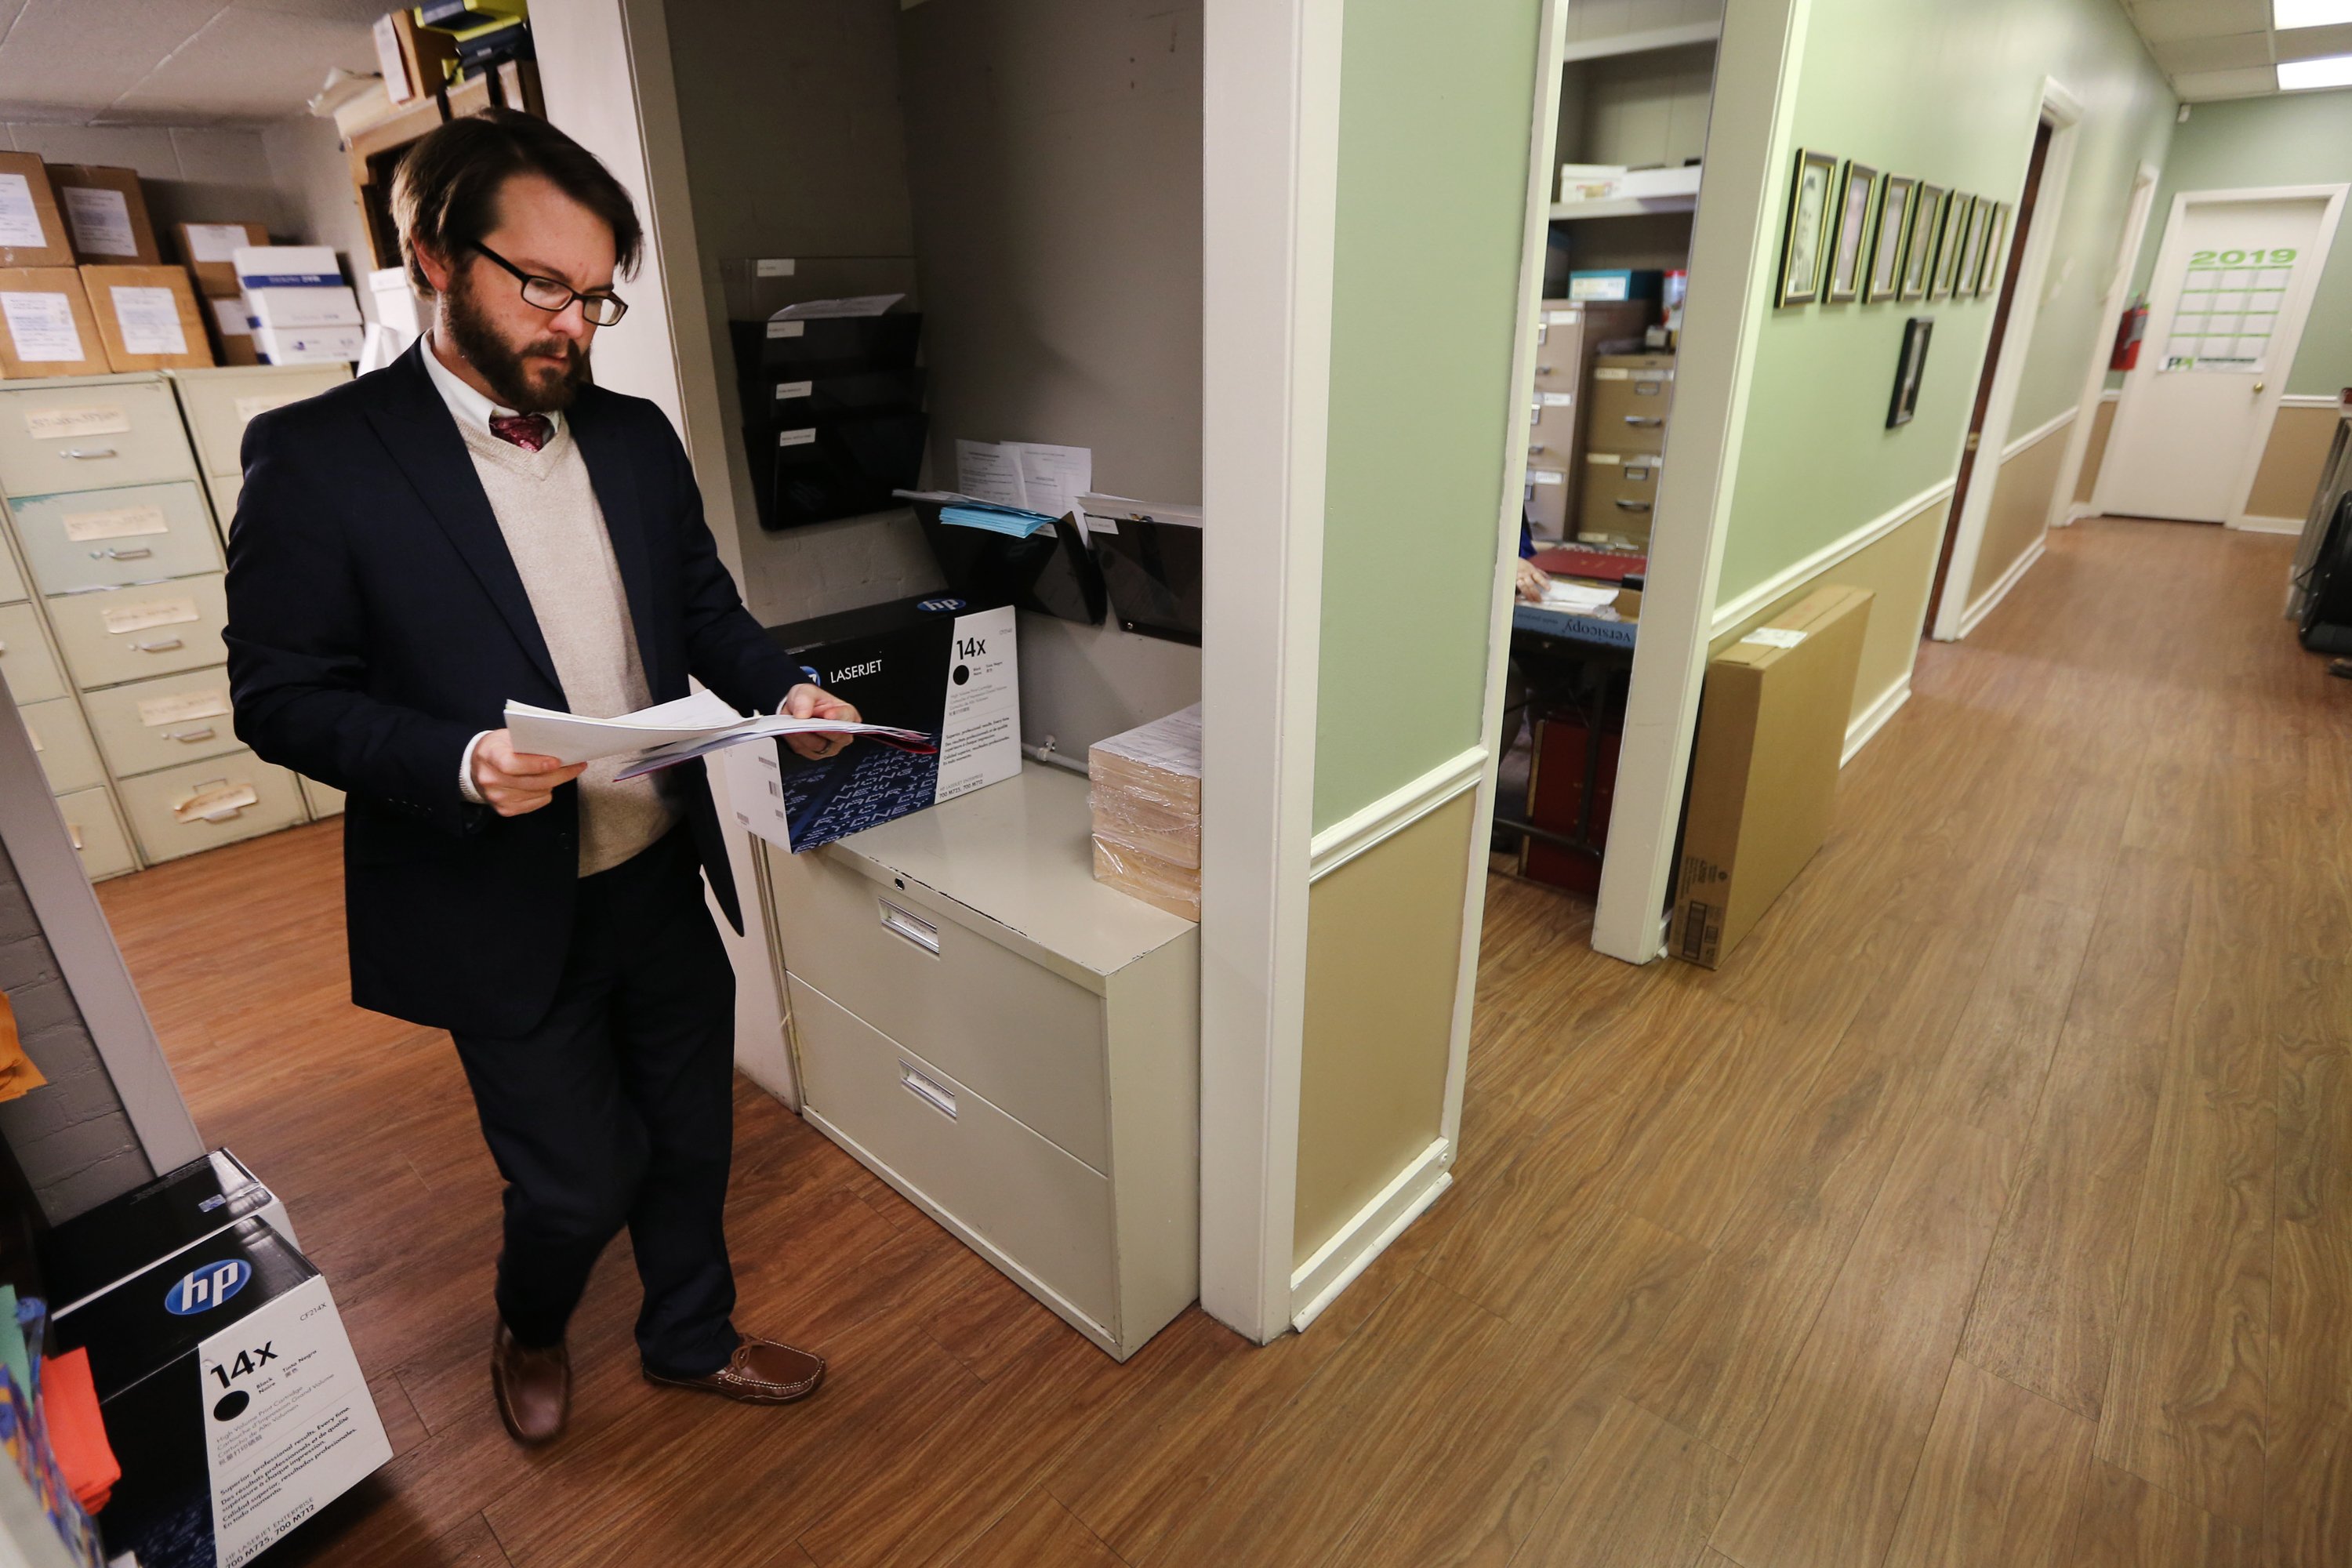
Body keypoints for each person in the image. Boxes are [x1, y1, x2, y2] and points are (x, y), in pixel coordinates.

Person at [223, 109, 858, 1446]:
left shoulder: (631, 440)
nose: (574, 323)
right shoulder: (320, 456)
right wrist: (453, 761)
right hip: (491, 897)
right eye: (543, 285)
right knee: (575, 1184)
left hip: (652, 870)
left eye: (596, 294)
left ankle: (689, 1339)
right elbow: (280, 697)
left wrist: (782, 689)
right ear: (433, 258)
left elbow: (704, 611)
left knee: (691, 1141)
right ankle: (530, 1320)